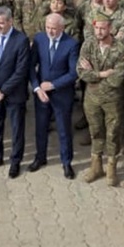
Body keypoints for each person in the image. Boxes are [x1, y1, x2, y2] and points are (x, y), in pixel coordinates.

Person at [78, 13, 124, 186]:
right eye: (97, 28)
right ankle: (96, 166)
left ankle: (112, 168)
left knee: (113, 133)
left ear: (110, 28)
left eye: (103, 28)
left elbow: (117, 79)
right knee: (95, 131)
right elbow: (81, 72)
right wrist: (101, 74)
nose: (99, 31)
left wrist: (93, 75)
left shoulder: (120, 49)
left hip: (112, 99)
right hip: (92, 99)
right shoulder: (88, 44)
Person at [0, 5, 31, 177]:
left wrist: (2, 91)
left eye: (1, 23)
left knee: (16, 129)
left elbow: (21, 71)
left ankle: (15, 161)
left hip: (14, 95)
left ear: (10, 22)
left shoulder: (21, 40)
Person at [31, 12, 80, 179]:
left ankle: (66, 162)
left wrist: (53, 85)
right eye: (47, 28)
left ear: (62, 28)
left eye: (53, 28)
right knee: (41, 127)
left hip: (62, 94)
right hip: (41, 94)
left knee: (64, 129)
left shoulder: (71, 44)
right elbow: (31, 66)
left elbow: (73, 73)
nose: (50, 31)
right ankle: (40, 157)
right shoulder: (39, 39)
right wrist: (37, 88)